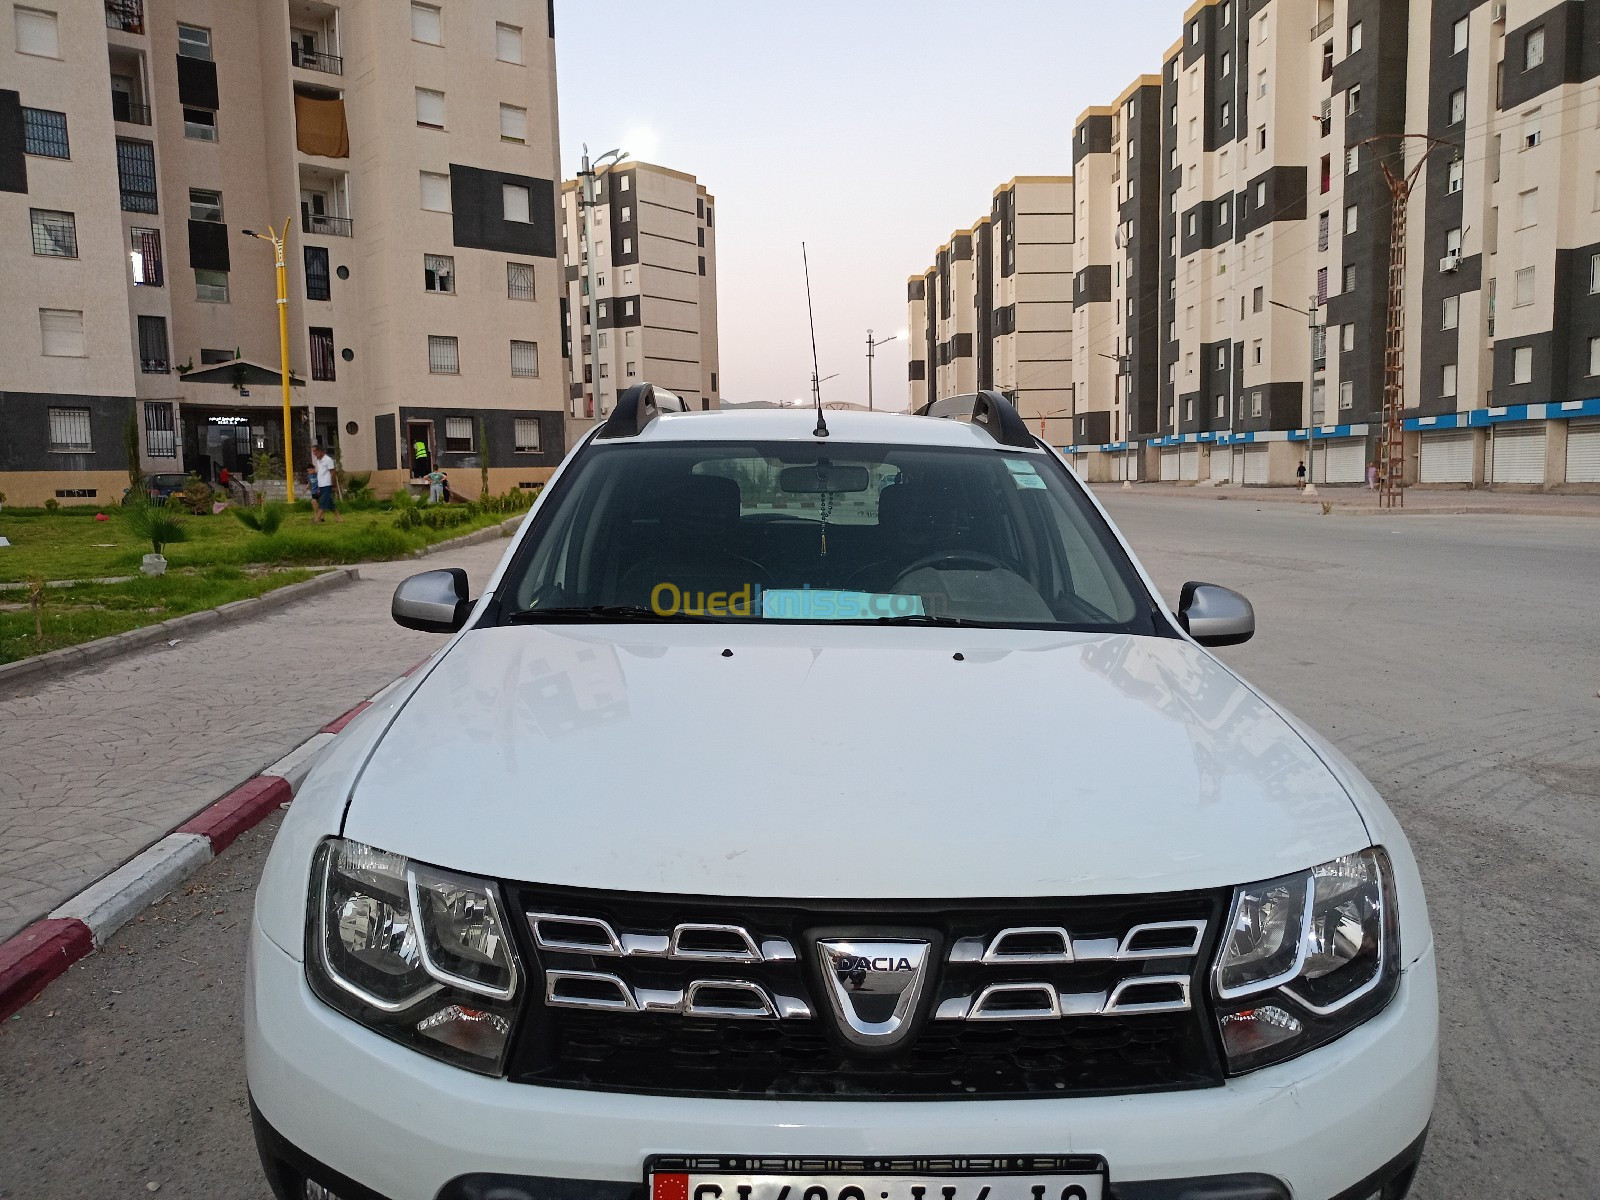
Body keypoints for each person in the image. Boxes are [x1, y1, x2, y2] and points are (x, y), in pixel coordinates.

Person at [310, 443, 342, 523]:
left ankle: (317, 519)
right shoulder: (318, 461)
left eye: (315, 452)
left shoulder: (328, 460)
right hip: (321, 485)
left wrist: (333, 484)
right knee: (330, 503)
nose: (314, 454)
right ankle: (339, 518)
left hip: (327, 484)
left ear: (320, 451)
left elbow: (333, 472)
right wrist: (315, 472)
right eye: (313, 452)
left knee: (323, 502)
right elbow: (321, 472)